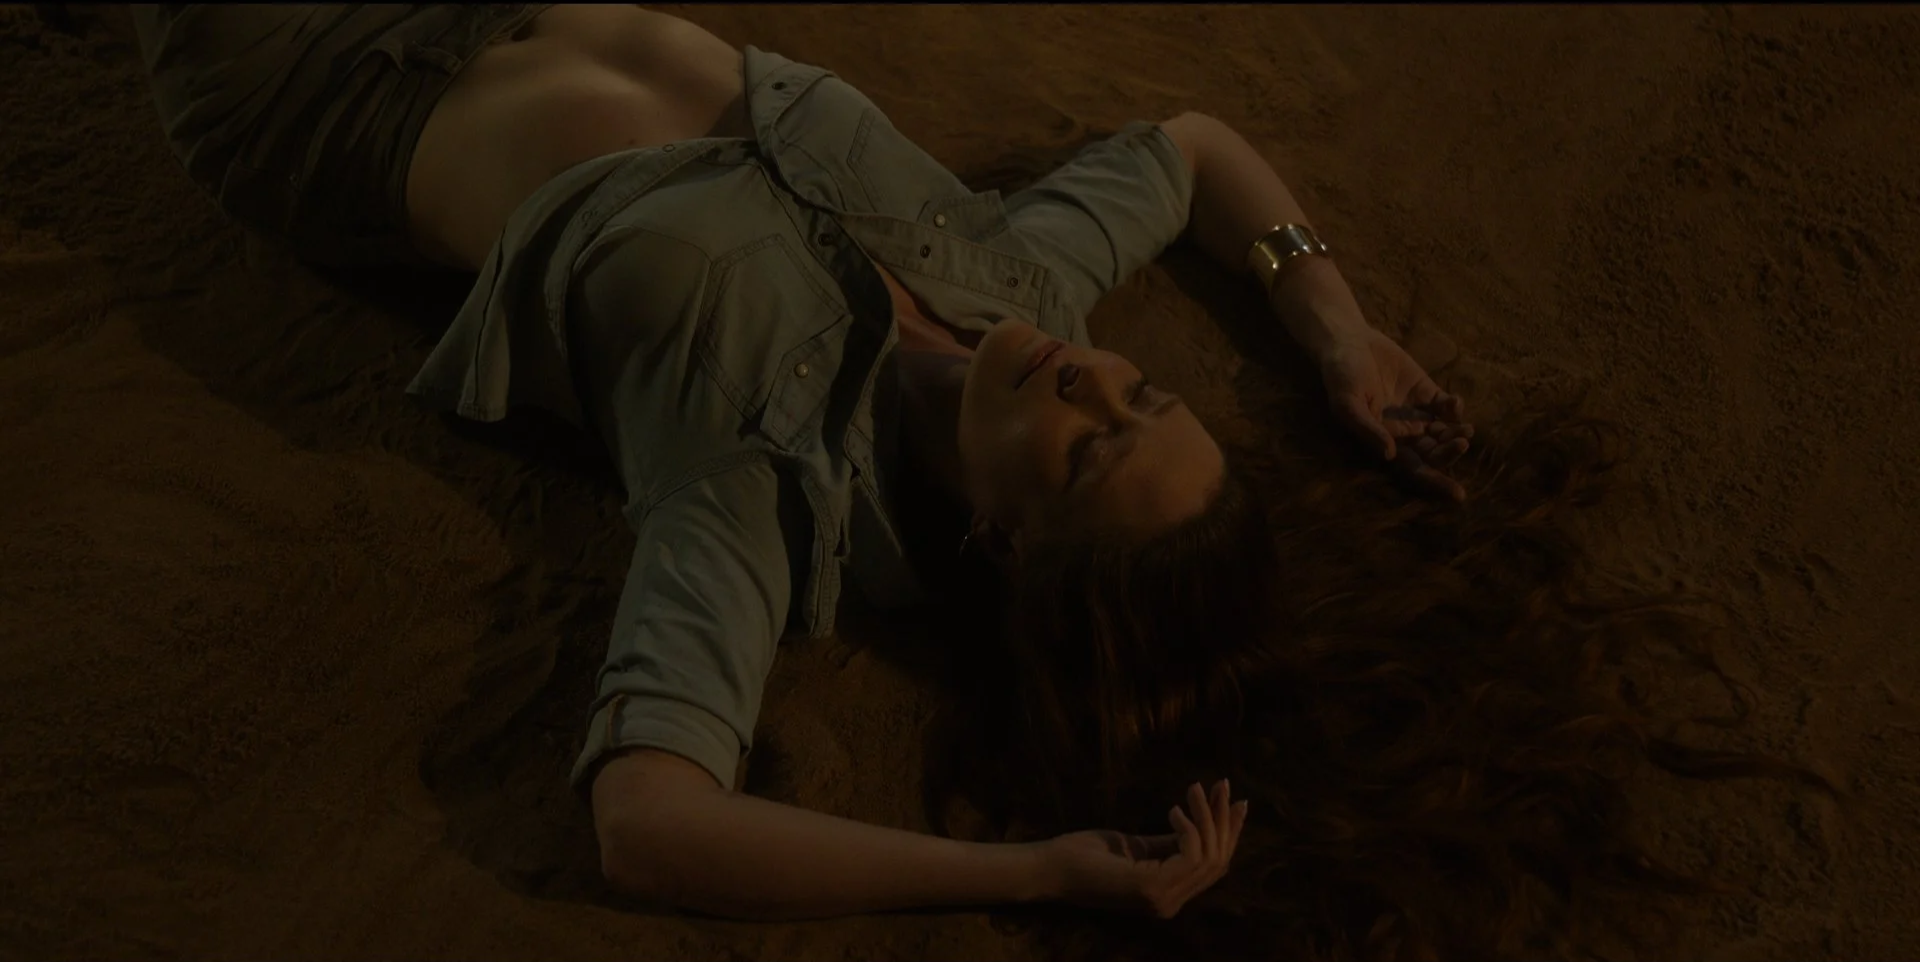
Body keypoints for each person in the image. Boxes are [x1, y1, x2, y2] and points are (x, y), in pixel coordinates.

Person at [131, 4, 1477, 924]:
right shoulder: (1027, 285)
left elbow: (649, 822)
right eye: (1146, 391)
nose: (1093, 378)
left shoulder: (761, 485)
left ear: (1008, 541)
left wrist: (1033, 874)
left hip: (316, 75)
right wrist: (1337, 333)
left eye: (1090, 451)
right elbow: (1194, 152)